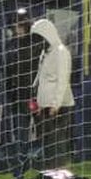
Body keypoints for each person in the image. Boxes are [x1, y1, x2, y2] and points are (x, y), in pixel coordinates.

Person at [3, 8, 43, 179]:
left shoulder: (37, 42)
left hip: (37, 97)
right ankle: (18, 176)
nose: (17, 27)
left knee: (44, 137)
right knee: (20, 139)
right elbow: (9, 73)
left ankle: (46, 174)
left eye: (20, 23)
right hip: (19, 99)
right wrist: (10, 96)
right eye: (16, 24)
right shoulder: (11, 45)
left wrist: (38, 95)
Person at [31, 18, 74, 170]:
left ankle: (60, 173)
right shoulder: (45, 53)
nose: (37, 42)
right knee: (48, 142)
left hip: (59, 106)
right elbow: (40, 79)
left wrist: (55, 105)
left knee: (57, 141)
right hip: (45, 106)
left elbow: (63, 80)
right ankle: (50, 172)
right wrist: (37, 101)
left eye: (39, 38)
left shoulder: (61, 52)